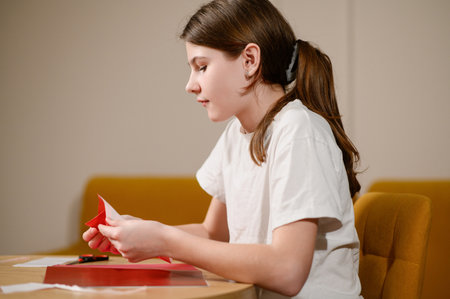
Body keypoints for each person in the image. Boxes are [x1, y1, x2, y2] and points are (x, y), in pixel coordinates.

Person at [83, 0, 362, 298]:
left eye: (201, 67)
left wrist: (164, 240)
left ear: (249, 61)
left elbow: (288, 271)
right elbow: (213, 234)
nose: (190, 85)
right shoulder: (236, 136)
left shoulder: (298, 130)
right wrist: (143, 233)